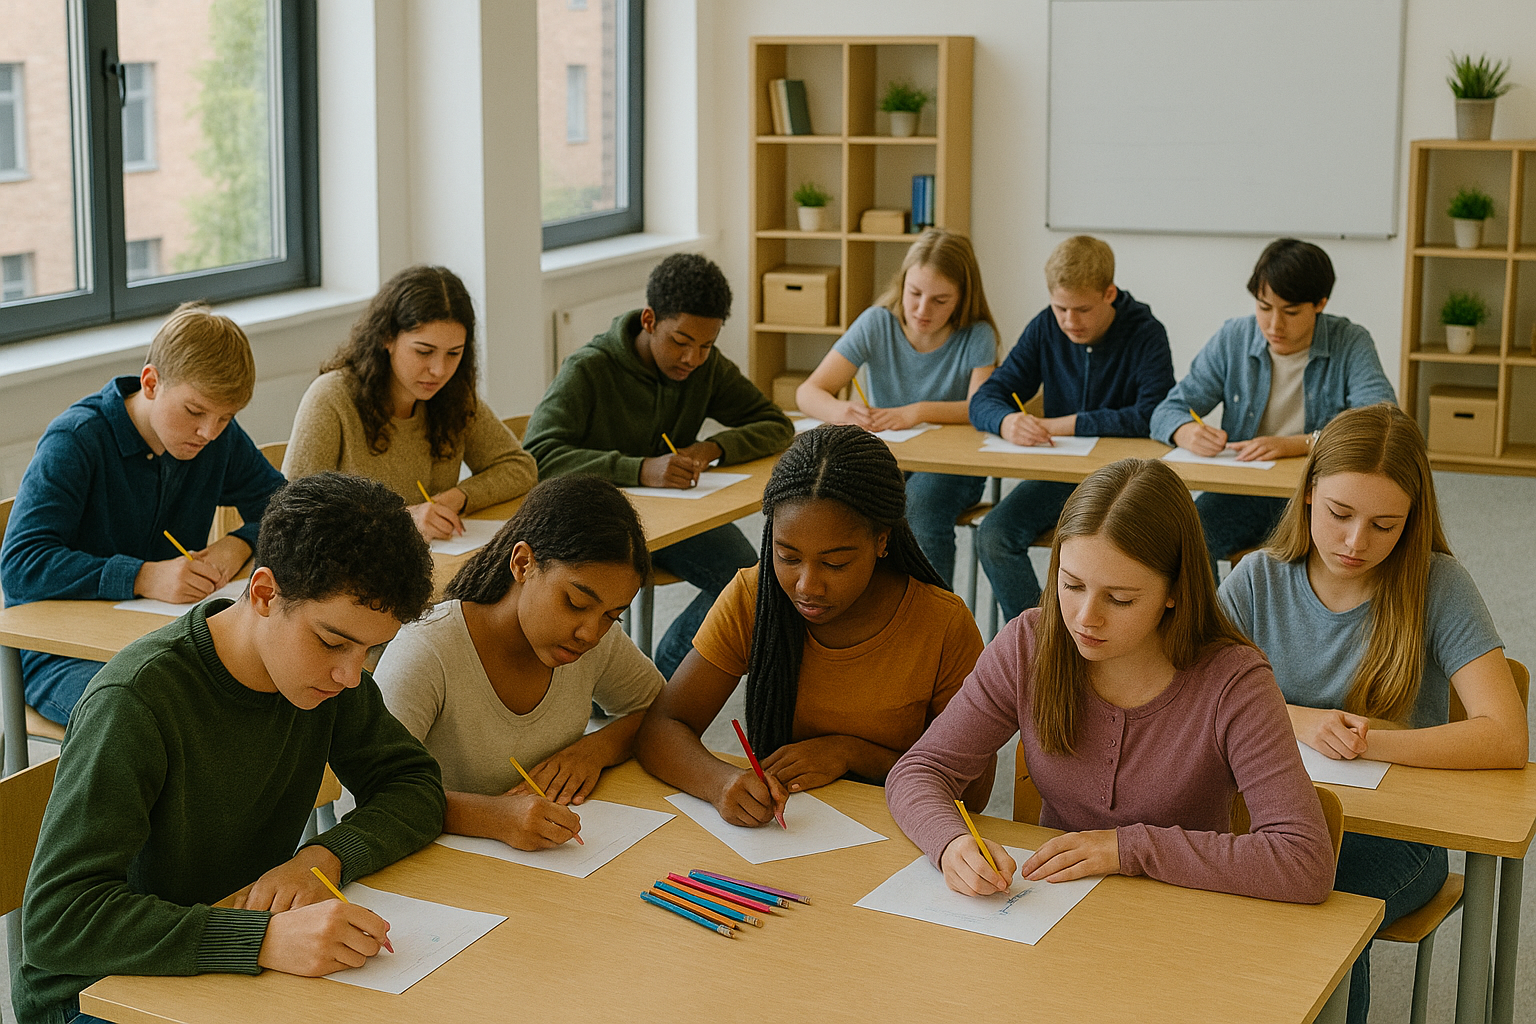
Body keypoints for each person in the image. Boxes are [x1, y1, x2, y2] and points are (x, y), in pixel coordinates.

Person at [12, 473, 446, 1024]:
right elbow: (59, 923)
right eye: (334, 642)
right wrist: (260, 939)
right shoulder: (136, 702)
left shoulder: (326, 679)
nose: (350, 674)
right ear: (264, 594)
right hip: (100, 992)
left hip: (221, 959)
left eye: (370, 649)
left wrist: (324, 857)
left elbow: (413, 785)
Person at [886, 458, 1335, 906]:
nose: (1085, 619)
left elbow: (1304, 861)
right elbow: (920, 771)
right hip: (1047, 910)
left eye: (1120, 599)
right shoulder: (1028, 644)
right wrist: (950, 843)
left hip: (1183, 916)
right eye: (1072, 585)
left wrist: (1127, 849)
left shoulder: (1235, 682)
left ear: (1175, 591)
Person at [1218, 403, 1526, 1024]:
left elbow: (1506, 736)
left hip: (1399, 838)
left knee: (1315, 894)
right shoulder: (1258, 580)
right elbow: (1194, 701)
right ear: (1307, 496)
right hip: (1274, 813)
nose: (1358, 543)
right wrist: (1298, 719)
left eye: (1385, 525)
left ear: (1413, 521)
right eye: (1340, 515)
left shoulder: (1437, 584)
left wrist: (1374, 743)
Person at [635, 424, 990, 827]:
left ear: (882, 541)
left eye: (835, 563)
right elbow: (662, 728)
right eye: (787, 556)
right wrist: (720, 782)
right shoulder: (754, 596)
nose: (807, 586)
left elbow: (974, 792)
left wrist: (853, 753)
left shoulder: (941, 622)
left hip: (905, 835)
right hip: (785, 835)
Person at [0, 302, 286, 725]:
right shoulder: (77, 440)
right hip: (62, 653)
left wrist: (236, 545)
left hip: (168, 639)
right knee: (162, 716)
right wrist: (144, 575)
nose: (209, 432)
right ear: (151, 382)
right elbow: (21, 566)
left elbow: (286, 510)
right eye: (194, 412)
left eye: (225, 418)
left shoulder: (215, 438)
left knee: (273, 683)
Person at [523, 253, 794, 677]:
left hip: (671, 518)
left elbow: (775, 424)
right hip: (595, 524)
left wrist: (711, 448)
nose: (692, 358)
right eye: (680, 341)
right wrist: (640, 468)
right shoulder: (589, 368)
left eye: (706, 346)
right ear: (649, 320)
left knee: (750, 579)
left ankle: (658, 683)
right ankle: (637, 690)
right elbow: (537, 454)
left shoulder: (706, 368)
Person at [374, 475, 665, 851]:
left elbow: (665, 711)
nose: (590, 633)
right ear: (523, 563)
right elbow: (372, 791)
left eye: (613, 615)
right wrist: (493, 817)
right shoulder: (428, 649)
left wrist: (595, 750)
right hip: (435, 871)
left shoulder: (596, 640)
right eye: (576, 603)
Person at [1149, 238, 1396, 576]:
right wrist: (1186, 431)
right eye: (1264, 307)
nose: (1274, 325)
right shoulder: (1233, 337)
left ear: (1320, 303)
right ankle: (1211, 627)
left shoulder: (1350, 341)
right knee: (1188, 537)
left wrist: (1298, 443)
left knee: (1304, 561)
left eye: (1291, 311)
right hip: (1244, 490)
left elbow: (1381, 421)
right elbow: (1167, 409)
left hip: (1317, 494)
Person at [969, 235, 1175, 619]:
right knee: (995, 535)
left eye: (1081, 309)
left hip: (1125, 483)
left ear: (1109, 293)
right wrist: (1007, 420)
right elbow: (985, 397)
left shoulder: (1146, 332)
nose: (1069, 321)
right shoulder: (1046, 326)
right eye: (1060, 308)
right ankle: (1041, 637)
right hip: (1061, 476)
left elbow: (1153, 414)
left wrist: (1066, 425)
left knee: (1097, 558)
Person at [794, 229, 998, 585]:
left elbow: (979, 407)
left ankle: (936, 624)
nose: (922, 310)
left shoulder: (976, 334)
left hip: (953, 466)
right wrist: (842, 412)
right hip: (890, 457)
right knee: (840, 497)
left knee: (920, 504)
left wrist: (916, 411)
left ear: (963, 298)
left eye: (940, 300)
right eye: (915, 294)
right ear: (902, 284)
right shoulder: (877, 323)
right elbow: (809, 392)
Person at [283, 265, 536, 541]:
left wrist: (456, 498)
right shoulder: (331, 398)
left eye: (454, 354)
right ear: (387, 338)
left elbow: (518, 467)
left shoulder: (454, 395)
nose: (439, 370)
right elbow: (293, 518)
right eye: (424, 351)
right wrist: (402, 520)